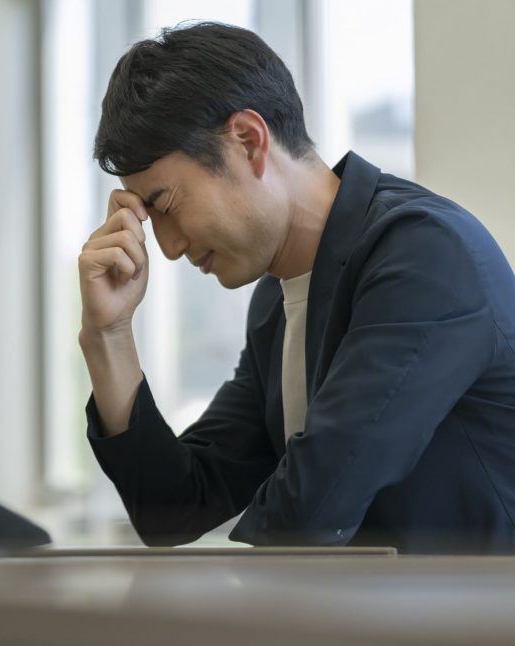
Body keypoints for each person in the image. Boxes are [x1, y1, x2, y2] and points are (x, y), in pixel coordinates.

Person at [79, 22, 515, 554]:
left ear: (248, 140)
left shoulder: (425, 254)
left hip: (475, 633)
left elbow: (314, 505)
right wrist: (110, 336)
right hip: (374, 631)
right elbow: (174, 508)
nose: (167, 248)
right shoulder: (277, 300)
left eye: (165, 205)